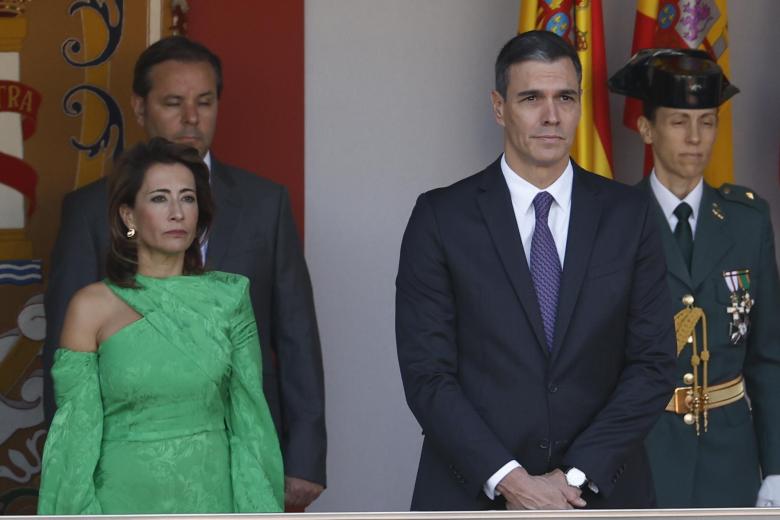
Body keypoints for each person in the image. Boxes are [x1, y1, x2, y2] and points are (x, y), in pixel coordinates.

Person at [395, 30, 677, 511]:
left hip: (600, 494)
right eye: (531, 98)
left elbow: (652, 364)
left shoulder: (630, 215)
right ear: (499, 107)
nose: (552, 116)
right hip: (474, 496)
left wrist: (573, 477)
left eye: (565, 97)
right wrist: (511, 480)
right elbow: (427, 374)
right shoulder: (441, 217)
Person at [42, 36, 326, 509]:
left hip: (233, 464)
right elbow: (69, 389)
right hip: (121, 478)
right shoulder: (87, 211)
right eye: (174, 102)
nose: (191, 118)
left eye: (205, 102)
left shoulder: (265, 203)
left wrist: (305, 458)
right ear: (140, 106)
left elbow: (297, 334)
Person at [37, 137, 283, 514]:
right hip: (121, 500)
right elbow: (74, 437)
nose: (177, 212)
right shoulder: (90, 307)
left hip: (211, 498)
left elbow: (251, 424)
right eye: (159, 198)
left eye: (187, 198)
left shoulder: (229, 298)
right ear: (129, 216)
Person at [609, 49, 780, 508]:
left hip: (731, 458)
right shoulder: (612, 223)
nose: (695, 138)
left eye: (707, 122)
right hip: (641, 453)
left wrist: (777, 468)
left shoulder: (748, 220)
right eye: (679, 122)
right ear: (647, 129)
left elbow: (767, 357)